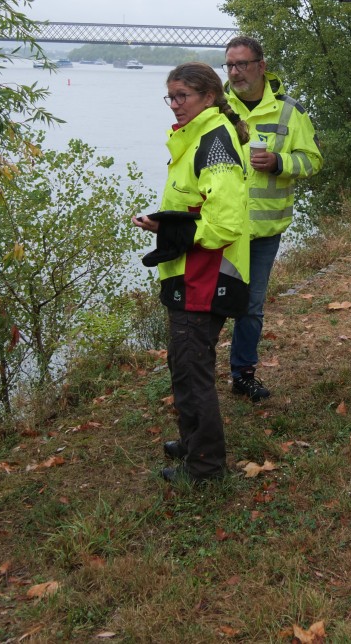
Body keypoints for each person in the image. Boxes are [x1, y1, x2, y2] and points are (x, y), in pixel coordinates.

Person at [133, 62, 250, 485]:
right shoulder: (197, 137)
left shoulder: (214, 143)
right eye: (171, 96)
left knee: (191, 371)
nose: (175, 104)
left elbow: (224, 224)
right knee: (182, 364)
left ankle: (204, 469)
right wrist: (166, 223)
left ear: (209, 97)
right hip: (188, 273)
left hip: (205, 277)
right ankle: (190, 441)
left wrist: (168, 228)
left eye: (183, 95)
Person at [222, 36, 323, 402]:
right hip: (220, 229)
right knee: (211, 303)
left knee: (250, 306)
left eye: (242, 64)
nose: (235, 72)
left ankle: (243, 373)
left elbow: (312, 160)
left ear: (262, 66)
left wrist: (280, 163)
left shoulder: (289, 112)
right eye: (230, 65)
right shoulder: (215, 109)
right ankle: (197, 374)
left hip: (264, 231)